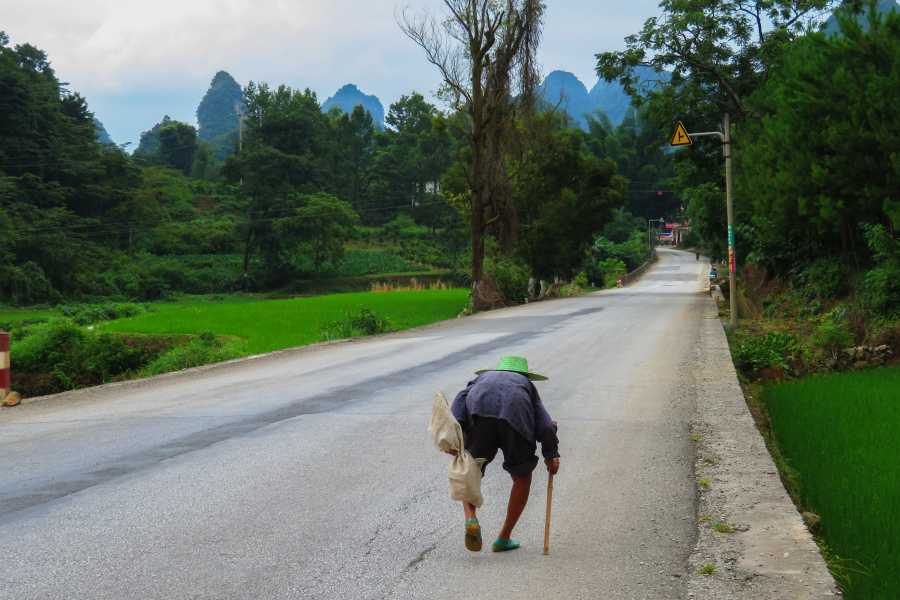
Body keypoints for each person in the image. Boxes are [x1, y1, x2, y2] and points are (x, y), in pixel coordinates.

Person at [447, 356, 560, 553]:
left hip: (478, 415)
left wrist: (455, 436)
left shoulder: (481, 379)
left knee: (469, 471)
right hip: (515, 419)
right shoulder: (525, 384)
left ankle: (470, 518)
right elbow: (545, 424)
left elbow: (459, 402)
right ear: (524, 374)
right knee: (522, 477)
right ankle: (503, 538)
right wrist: (550, 455)